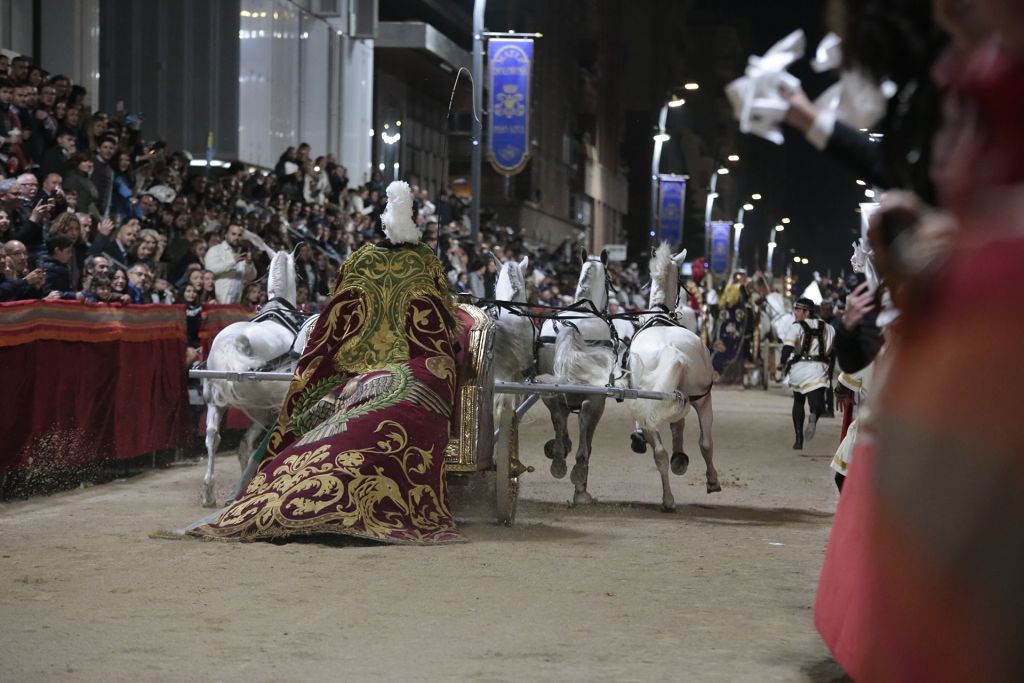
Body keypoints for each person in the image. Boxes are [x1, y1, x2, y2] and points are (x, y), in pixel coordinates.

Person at [188, 180, 464, 545]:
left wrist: (317, 372)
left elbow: (332, 326)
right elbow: (444, 323)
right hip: (408, 370)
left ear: (381, 223)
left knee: (293, 417)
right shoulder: (427, 262)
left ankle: (259, 484)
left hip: (351, 372)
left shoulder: (360, 260)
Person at [779, 298, 834, 449]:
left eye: (798, 310)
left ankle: (798, 439)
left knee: (798, 401)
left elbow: (788, 347)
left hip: (800, 369)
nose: (795, 313)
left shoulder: (796, 327)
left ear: (806, 312)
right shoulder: (828, 327)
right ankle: (814, 417)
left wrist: (782, 363)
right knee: (818, 404)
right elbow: (832, 349)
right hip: (819, 369)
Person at [203, 223, 256, 304]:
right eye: (233, 234)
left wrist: (249, 264)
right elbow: (210, 270)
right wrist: (233, 261)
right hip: (216, 303)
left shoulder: (243, 253)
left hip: (235, 304)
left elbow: (251, 277)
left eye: (239, 235)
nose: (236, 238)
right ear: (226, 235)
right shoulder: (215, 250)